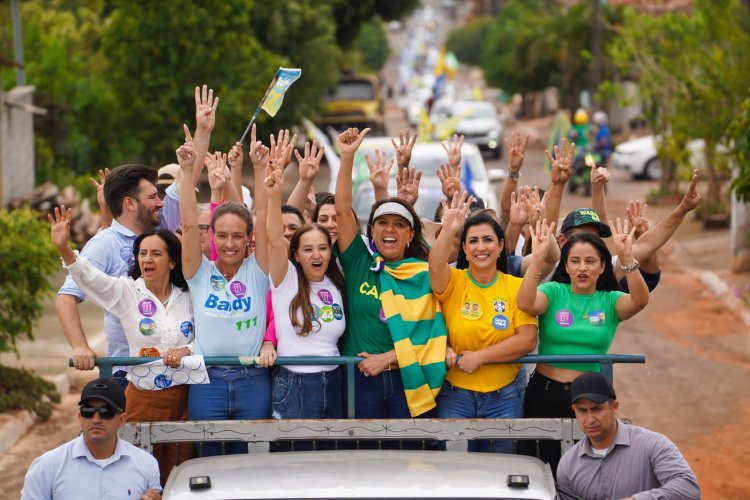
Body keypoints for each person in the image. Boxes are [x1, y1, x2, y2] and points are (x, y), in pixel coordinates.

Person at [49, 206, 196, 485]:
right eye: (142, 253)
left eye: (156, 253)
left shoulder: (190, 293)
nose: (147, 259)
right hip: (142, 398)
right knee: (140, 478)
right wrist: (65, 248)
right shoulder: (127, 291)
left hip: (186, 399)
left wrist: (187, 350)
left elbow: (209, 334)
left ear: (173, 262)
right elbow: (90, 278)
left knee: (179, 476)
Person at [177, 116, 276, 455]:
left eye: (238, 236)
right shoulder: (198, 271)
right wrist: (187, 171)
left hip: (254, 383)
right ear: (213, 238)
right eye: (222, 235)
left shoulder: (258, 269)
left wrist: (260, 170)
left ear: (250, 239)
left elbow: (263, 217)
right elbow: (189, 225)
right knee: (210, 467)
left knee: (253, 470)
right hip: (207, 383)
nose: (230, 243)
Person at [517, 218, 649, 473]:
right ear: (565, 265)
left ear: (602, 267)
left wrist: (627, 258)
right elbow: (525, 303)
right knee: (542, 467)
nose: (582, 268)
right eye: (575, 261)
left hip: (591, 398)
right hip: (545, 393)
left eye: (590, 261)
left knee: (590, 468)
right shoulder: (554, 291)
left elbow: (640, 301)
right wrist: (537, 259)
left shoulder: (610, 300)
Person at [335, 127, 447, 420]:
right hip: (360, 381)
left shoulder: (424, 274)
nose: (389, 230)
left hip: (410, 381)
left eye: (399, 224)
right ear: (371, 231)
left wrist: (387, 358)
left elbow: (432, 336)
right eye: (382, 223)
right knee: (366, 460)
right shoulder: (360, 262)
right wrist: (347, 157)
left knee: (413, 461)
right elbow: (342, 209)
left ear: (411, 235)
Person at [429, 193, 538, 453]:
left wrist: (480, 358)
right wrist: (448, 229)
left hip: (505, 398)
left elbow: (527, 339)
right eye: (473, 241)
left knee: (501, 474)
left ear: (501, 246)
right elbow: (434, 268)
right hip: (455, 397)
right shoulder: (454, 280)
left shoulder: (515, 286)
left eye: (488, 240)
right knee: (455, 476)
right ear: (464, 248)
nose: (481, 247)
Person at [56, 164, 164, 383]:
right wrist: (80, 346)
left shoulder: (162, 238)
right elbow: (66, 297)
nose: (160, 203)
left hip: (170, 369)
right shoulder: (105, 243)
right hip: (127, 373)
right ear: (130, 203)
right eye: (153, 197)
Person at [258, 162, 346, 422]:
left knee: (331, 459)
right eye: (307, 249)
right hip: (294, 384)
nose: (316, 255)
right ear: (295, 255)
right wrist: (274, 196)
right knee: (295, 461)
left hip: (335, 380)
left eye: (322, 248)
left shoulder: (337, 282)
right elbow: (274, 239)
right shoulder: (286, 279)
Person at [557, 372, 701, 500]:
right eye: (582, 411)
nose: (590, 419)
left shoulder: (652, 444)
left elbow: (689, 489)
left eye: (597, 409)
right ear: (574, 411)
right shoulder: (568, 465)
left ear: (614, 407)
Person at [22, 378, 161, 499]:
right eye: (88, 411)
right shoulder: (47, 466)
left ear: (122, 419)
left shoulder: (147, 465)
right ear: (79, 417)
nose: (96, 419)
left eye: (106, 412)